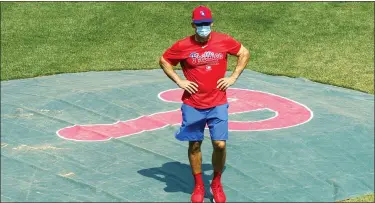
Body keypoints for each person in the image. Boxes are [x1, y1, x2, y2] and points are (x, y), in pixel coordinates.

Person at [159, 5, 250, 203]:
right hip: (193, 104)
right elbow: (164, 60)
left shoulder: (223, 40)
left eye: (206, 23)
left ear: (211, 23)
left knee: (220, 144)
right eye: (200, 24)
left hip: (218, 102)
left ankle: (216, 183)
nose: (203, 27)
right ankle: (199, 184)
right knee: (195, 145)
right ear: (193, 24)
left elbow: (244, 53)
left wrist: (233, 76)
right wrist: (179, 81)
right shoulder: (183, 45)